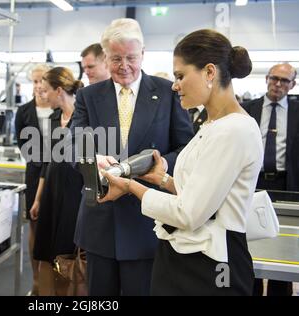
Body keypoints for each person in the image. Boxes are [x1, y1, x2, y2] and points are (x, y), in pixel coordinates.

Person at [99, 29, 261, 296]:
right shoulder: (212, 125)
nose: (175, 85)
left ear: (210, 72)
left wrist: (130, 187)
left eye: (180, 76)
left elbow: (189, 213)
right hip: (183, 254)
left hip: (210, 264)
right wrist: (162, 179)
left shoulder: (234, 130)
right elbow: (205, 195)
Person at [70, 18, 193, 296]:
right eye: (116, 58)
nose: (124, 65)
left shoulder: (166, 92)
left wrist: (159, 166)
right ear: (105, 56)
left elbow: (186, 147)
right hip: (101, 217)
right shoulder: (88, 96)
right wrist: (92, 158)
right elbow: (72, 143)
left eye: (131, 57)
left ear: (143, 54)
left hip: (147, 217)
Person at [243, 63, 298, 296]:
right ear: (266, 78)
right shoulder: (247, 109)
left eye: (284, 81)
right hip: (252, 183)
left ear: (292, 85)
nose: (278, 84)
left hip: (286, 186)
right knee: (250, 243)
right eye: (274, 78)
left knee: (283, 246)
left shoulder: (297, 112)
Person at [31, 67, 84, 295]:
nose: (43, 96)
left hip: (74, 192)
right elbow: (46, 162)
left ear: (59, 90)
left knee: (68, 252)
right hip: (52, 190)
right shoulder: (53, 119)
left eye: (46, 91)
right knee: (47, 251)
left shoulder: (83, 118)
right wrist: (38, 198)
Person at [14, 63, 52, 296]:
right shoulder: (25, 111)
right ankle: (37, 280)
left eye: (42, 81)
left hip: (59, 172)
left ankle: (56, 278)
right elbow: (22, 142)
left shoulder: (62, 107)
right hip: (34, 170)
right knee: (34, 224)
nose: (38, 86)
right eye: (35, 81)